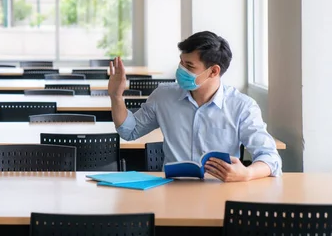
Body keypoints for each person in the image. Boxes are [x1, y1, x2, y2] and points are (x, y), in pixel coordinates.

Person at [109, 31, 282, 182]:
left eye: (189, 66)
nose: (181, 69)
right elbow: (129, 131)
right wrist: (116, 96)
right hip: (172, 191)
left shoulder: (242, 106)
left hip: (220, 191)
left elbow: (270, 157)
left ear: (214, 71)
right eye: (181, 62)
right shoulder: (163, 96)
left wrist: (247, 173)